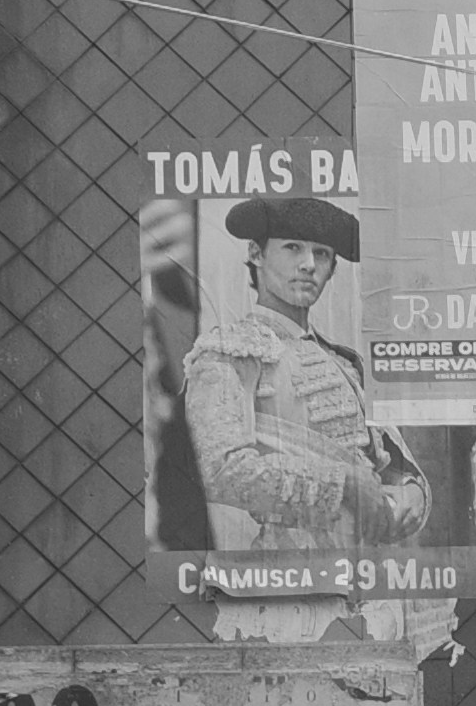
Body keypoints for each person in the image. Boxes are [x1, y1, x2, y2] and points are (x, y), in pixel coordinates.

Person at [171, 193, 438, 557]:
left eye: (322, 254)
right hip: (283, 571)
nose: (308, 264)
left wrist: (409, 491)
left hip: (364, 574)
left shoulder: (345, 363)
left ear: (332, 269)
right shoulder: (229, 352)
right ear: (256, 254)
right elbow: (219, 471)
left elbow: (387, 464)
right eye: (292, 248)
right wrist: (342, 484)